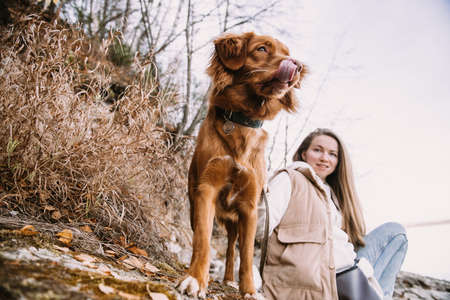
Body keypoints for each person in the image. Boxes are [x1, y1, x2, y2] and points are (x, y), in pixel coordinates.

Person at [258, 128, 408, 300]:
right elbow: (260, 225)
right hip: (327, 276)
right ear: (303, 153)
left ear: (338, 161)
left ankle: (380, 295)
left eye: (332, 154)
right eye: (317, 150)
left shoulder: (334, 196)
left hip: (349, 270)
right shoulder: (290, 178)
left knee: (396, 233)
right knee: (395, 233)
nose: (324, 158)